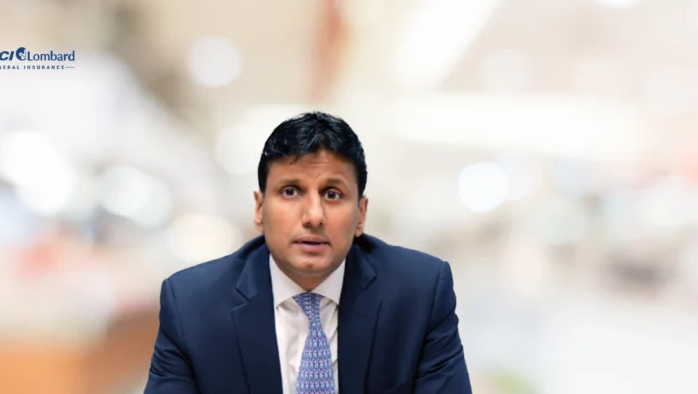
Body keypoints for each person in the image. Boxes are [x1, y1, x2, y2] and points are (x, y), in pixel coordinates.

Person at [144, 112, 471, 394]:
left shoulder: (420, 294)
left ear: (361, 214)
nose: (313, 215)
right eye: (290, 191)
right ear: (259, 209)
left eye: (332, 193)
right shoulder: (192, 304)